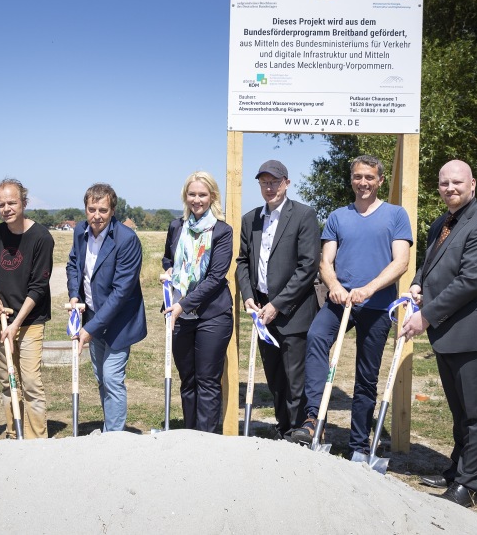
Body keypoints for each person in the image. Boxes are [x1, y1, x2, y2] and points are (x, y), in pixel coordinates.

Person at [400, 159, 477, 508]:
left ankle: (469, 486)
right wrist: (418, 284)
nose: (450, 188)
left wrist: (426, 317)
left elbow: (470, 281)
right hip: (451, 333)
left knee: (476, 413)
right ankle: (456, 470)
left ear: (472, 184)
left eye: (457, 182)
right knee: (459, 410)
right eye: (444, 183)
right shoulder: (442, 223)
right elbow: (430, 264)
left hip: (475, 332)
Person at [290, 155, 413, 453]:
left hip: (377, 305)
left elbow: (401, 262)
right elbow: (326, 261)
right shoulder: (338, 216)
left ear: (380, 180)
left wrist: (368, 289)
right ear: (352, 180)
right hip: (340, 302)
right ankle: (313, 420)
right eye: (358, 177)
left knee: (366, 375)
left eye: (369, 177)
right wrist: (334, 286)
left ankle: (358, 443)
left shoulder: (396, 215)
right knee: (317, 337)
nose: (363, 183)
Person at [235, 160, 320, 439]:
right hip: (261, 311)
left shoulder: (304, 216)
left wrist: (278, 305)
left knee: (295, 379)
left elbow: (308, 267)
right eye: (264, 183)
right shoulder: (251, 219)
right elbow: (243, 262)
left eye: (274, 182)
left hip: (292, 312)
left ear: (287, 183)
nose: (269, 188)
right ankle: (284, 429)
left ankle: (301, 431)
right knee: (274, 377)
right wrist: (248, 296)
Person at [66, 183, 147, 432]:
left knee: (112, 377)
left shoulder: (127, 239)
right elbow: (73, 265)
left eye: (103, 210)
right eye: (92, 209)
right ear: (86, 208)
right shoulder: (80, 231)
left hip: (119, 322)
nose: (96, 216)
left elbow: (121, 292)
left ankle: (114, 438)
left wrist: (89, 329)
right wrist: (73, 296)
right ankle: (110, 426)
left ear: (112, 210)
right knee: (101, 378)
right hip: (91, 315)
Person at [0, 179, 54, 439]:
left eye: (12, 202)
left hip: (30, 321)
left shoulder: (41, 237)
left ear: (24, 202)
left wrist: (16, 325)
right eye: (1, 204)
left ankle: (37, 439)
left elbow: (38, 287)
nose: (6, 208)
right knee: (7, 381)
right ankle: (15, 433)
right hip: (2, 322)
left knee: (31, 383)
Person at [162, 171, 234, 433]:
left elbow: (216, 277)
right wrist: (170, 270)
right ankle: (189, 438)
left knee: (206, 381)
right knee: (187, 380)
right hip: (180, 318)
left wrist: (182, 305)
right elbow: (168, 258)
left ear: (212, 196)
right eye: (192, 194)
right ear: (185, 196)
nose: (197, 199)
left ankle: (206, 441)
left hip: (212, 316)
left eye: (202, 194)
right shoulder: (176, 227)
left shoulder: (222, 231)